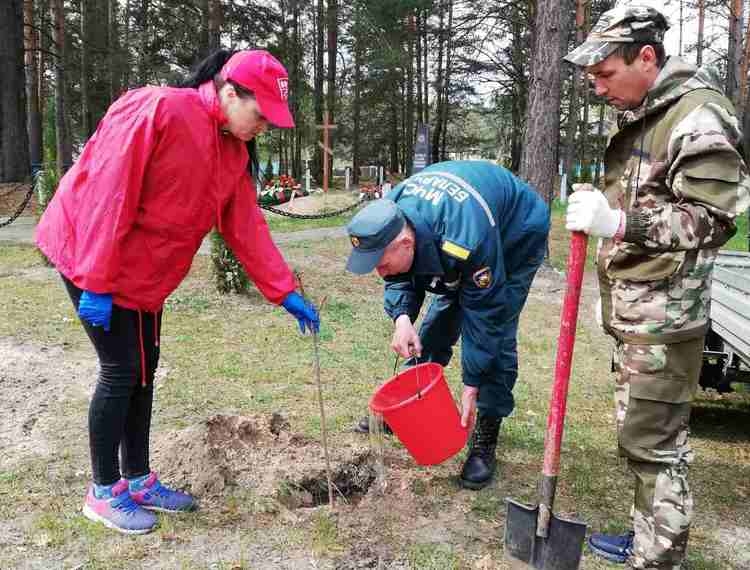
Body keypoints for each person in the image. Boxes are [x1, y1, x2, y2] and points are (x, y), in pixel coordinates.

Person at [34, 49, 320, 535]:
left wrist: (284, 291)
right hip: (92, 252)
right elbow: (110, 190)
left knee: (145, 368)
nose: (264, 128)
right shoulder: (159, 109)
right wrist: (98, 281)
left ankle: (138, 478)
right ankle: (103, 493)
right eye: (261, 115)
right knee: (121, 368)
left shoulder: (232, 151)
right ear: (231, 92)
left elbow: (245, 225)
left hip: (145, 275)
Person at [564, 6, 750, 568]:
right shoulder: (650, 110)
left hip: (666, 322)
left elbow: (714, 219)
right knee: (640, 436)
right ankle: (651, 535)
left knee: (655, 448)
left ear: (646, 58)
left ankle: (659, 558)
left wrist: (618, 225)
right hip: (643, 311)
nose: (597, 88)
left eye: (604, 74)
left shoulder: (699, 116)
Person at [345, 160, 549, 489]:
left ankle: (486, 435)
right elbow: (399, 274)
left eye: (381, 264)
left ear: (406, 244)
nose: (378, 273)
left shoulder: (466, 240)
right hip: (454, 229)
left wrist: (473, 381)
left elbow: (486, 315)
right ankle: (410, 412)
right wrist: (401, 320)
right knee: (442, 312)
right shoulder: (393, 214)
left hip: (516, 232)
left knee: (496, 327)